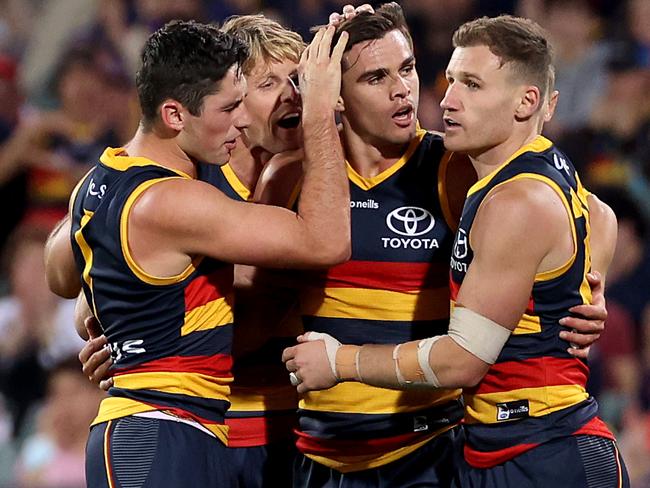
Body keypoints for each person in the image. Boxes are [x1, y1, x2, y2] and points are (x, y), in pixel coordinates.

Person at [283, 14, 629, 487]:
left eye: (407, 69)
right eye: (376, 77)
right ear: (334, 94)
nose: (406, 90)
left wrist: (589, 283)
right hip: (333, 451)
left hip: (443, 449)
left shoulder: (456, 169)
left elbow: (590, 211)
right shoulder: (299, 175)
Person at [45, 19, 351, 487]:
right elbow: (325, 242)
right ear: (178, 114)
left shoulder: (115, 177)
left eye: (300, 80)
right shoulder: (184, 192)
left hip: (203, 425)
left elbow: (75, 270)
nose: (293, 96)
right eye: (252, 93)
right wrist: (117, 335)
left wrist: (128, 329)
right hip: (167, 427)